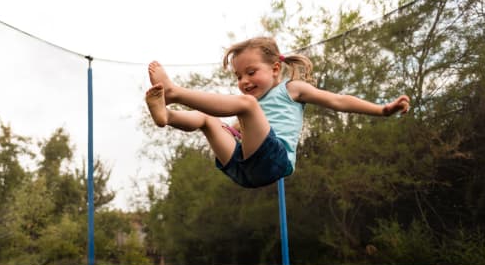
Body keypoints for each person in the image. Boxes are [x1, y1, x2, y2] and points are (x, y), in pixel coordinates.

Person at [145, 36, 410, 188]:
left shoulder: (291, 89)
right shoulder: (250, 109)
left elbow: (339, 101)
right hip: (244, 170)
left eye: (251, 72)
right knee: (207, 120)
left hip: (275, 161)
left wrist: (382, 110)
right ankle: (167, 116)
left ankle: (175, 92)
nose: (244, 81)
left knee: (245, 105)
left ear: (274, 69)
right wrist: (229, 129)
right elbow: (237, 131)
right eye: (239, 76)